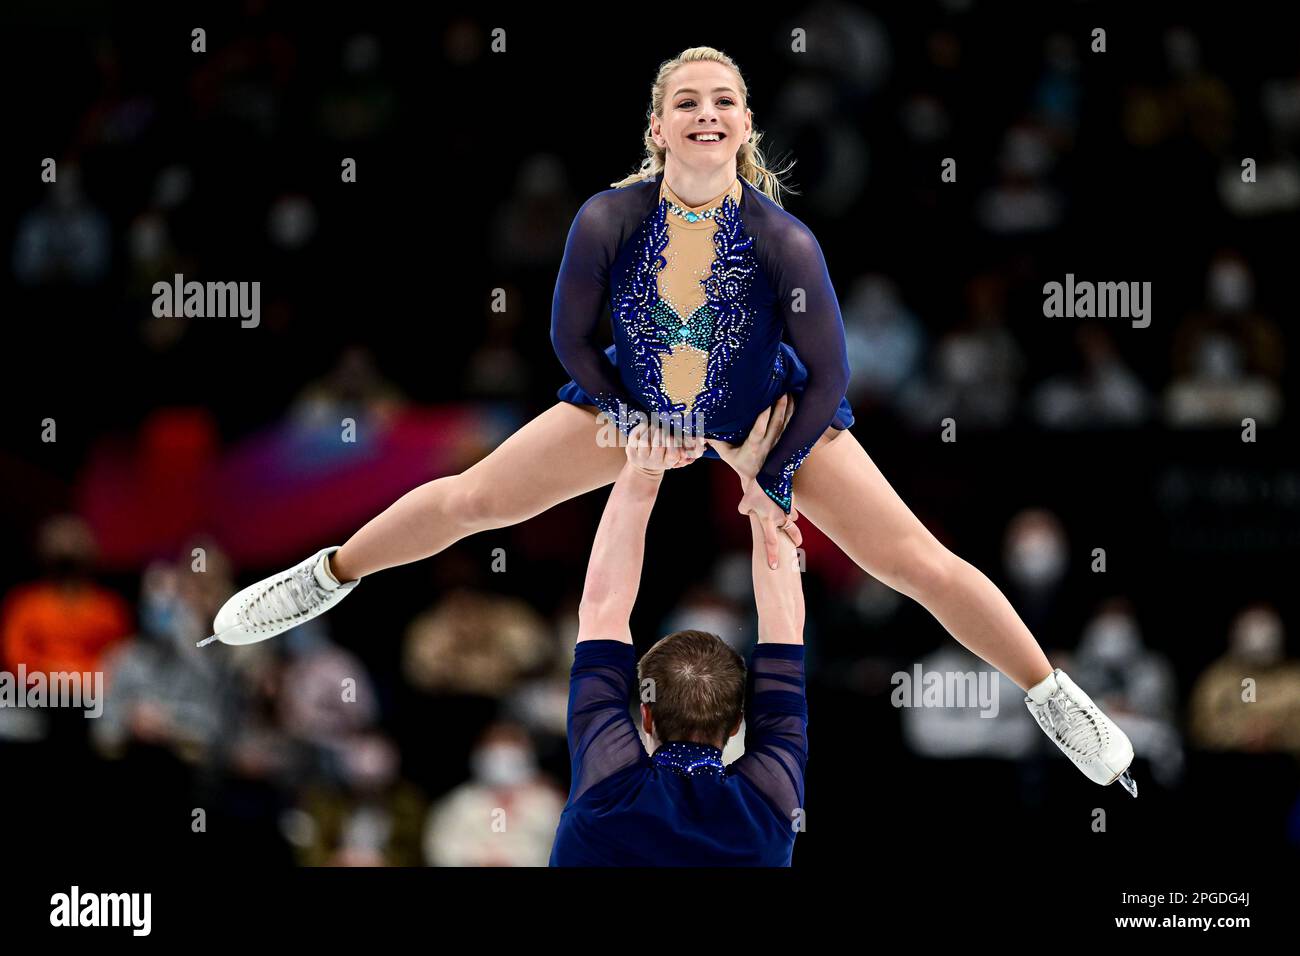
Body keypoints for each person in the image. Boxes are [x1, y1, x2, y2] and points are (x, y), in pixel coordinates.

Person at [205, 47, 1136, 796]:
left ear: (744, 125)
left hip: (763, 411)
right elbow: (569, 339)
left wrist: (765, 473)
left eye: (723, 101)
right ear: (658, 128)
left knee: (912, 560)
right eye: (687, 101)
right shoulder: (609, 219)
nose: (706, 114)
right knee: (474, 499)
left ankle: (1051, 695)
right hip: (631, 403)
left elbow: (831, 374)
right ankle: (326, 575)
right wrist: (627, 416)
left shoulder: (783, 240)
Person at [551, 407, 807, 864]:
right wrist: (764, 487)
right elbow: (600, 615)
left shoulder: (608, 793)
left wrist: (646, 467)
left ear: (645, 716)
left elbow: (602, 609)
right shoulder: (765, 812)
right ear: (735, 726)